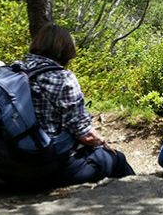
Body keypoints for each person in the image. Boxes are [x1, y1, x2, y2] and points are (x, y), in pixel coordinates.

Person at [20, 24, 134, 186]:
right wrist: (103, 142)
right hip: (48, 166)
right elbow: (85, 134)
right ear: (65, 50)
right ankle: (144, 200)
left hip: (14, 160)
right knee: (117, 159)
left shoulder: (17, 69)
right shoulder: (62, 78)